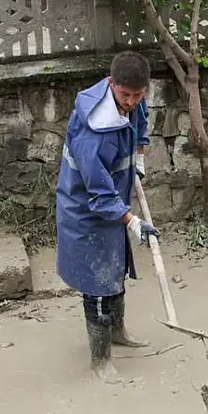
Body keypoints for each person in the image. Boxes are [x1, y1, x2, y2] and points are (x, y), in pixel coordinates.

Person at [56, 51, 160, 384]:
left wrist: (139, 156)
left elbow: (139, 123)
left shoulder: (133, 101)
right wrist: (132, 222)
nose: (131, 101)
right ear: (111, 84)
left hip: (112, 201)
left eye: (137, 94)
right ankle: (100, 361)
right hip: (85, 211)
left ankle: (118, 332)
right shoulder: (93, 135)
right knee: (97, 283)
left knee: (114, 267)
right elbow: (98, 195)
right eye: (125, 95)